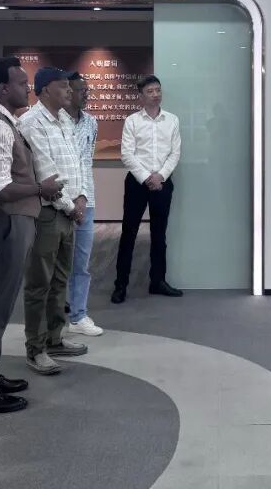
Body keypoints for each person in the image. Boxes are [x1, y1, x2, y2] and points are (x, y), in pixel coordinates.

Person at [0, 57, 63, 414]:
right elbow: (0, 188)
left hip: (15, 222)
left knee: (2, 304)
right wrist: (41, 188)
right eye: (22, 83)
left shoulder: (8, 123)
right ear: (3, 88)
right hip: (7, 224)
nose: (28, 88)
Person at [18, 67, 90, 376]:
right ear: (46, 89)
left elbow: (78, 162)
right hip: (48, 213)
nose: (70, 91)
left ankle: (55, 337)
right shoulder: (31, 122)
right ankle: (35, 348)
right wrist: (71, 206)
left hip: (69, 210)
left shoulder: (64, 120)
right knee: (40, 282)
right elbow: (45, 171)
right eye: (63, 87)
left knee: (61, 278)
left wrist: (81, 196)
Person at [112, 75, 183, 304]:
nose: (155, 94)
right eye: (150, 91)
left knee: (159, 234)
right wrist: (146, 178)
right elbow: (127, 154)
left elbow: (175, 153)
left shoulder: (172, 120)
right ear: (141, 96)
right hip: (137, 183)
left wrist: (160, 176)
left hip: (163, 182)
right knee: (129, 233)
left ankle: (158, 281)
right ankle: (120, 285)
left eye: (158, 90)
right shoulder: (132, 121)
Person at [61, 72, 104, 336]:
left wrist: (84, 196)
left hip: (85, 202)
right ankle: (54, 316)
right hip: (58, 202)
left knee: (81, 262)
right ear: (67, 92)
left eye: (87, 90)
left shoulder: (91, 122)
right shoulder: (55, 122)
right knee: (55, 263)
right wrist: (69, 200)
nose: (85, 94)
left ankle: (78, 315)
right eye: (80, 90)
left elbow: (86, 162)